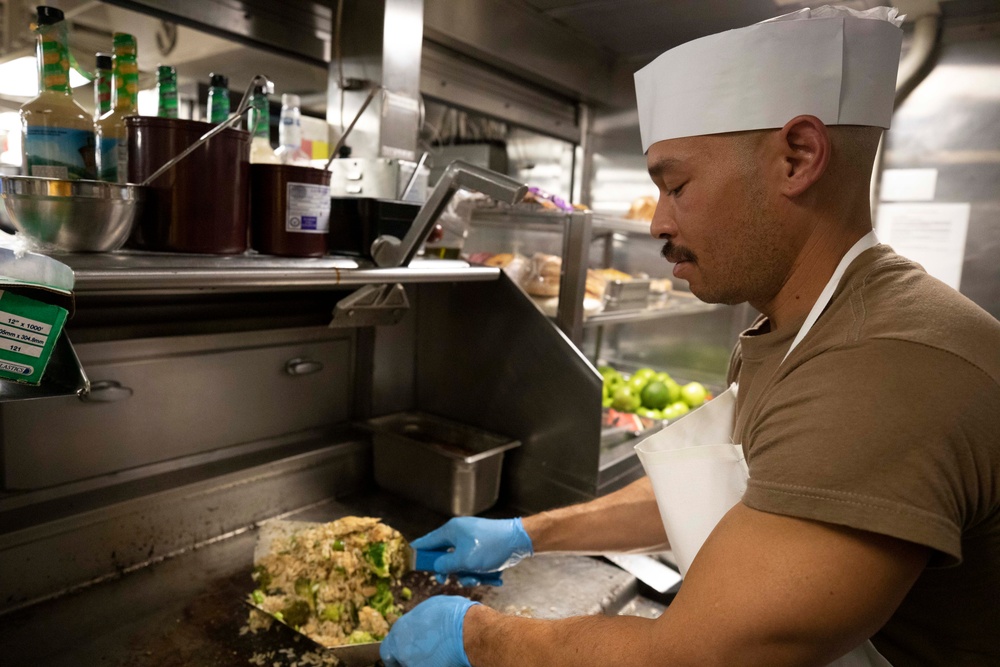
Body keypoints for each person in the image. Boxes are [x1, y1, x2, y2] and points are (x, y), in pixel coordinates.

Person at [381, 7, 1000, 667]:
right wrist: (524, 533)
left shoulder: (880, 365)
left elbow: (699, 656)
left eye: (676, 185)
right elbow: (734, 483)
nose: (660, 223)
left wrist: (478, 637)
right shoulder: (806, 322)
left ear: (799, 156)